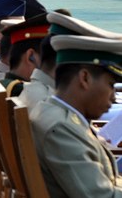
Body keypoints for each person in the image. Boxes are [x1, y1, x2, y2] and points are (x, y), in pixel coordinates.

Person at [30, 34, 122, 197]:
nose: (114, 96)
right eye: (110, 85)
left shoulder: (50, 112)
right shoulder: (61, 129)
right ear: (84, 78)